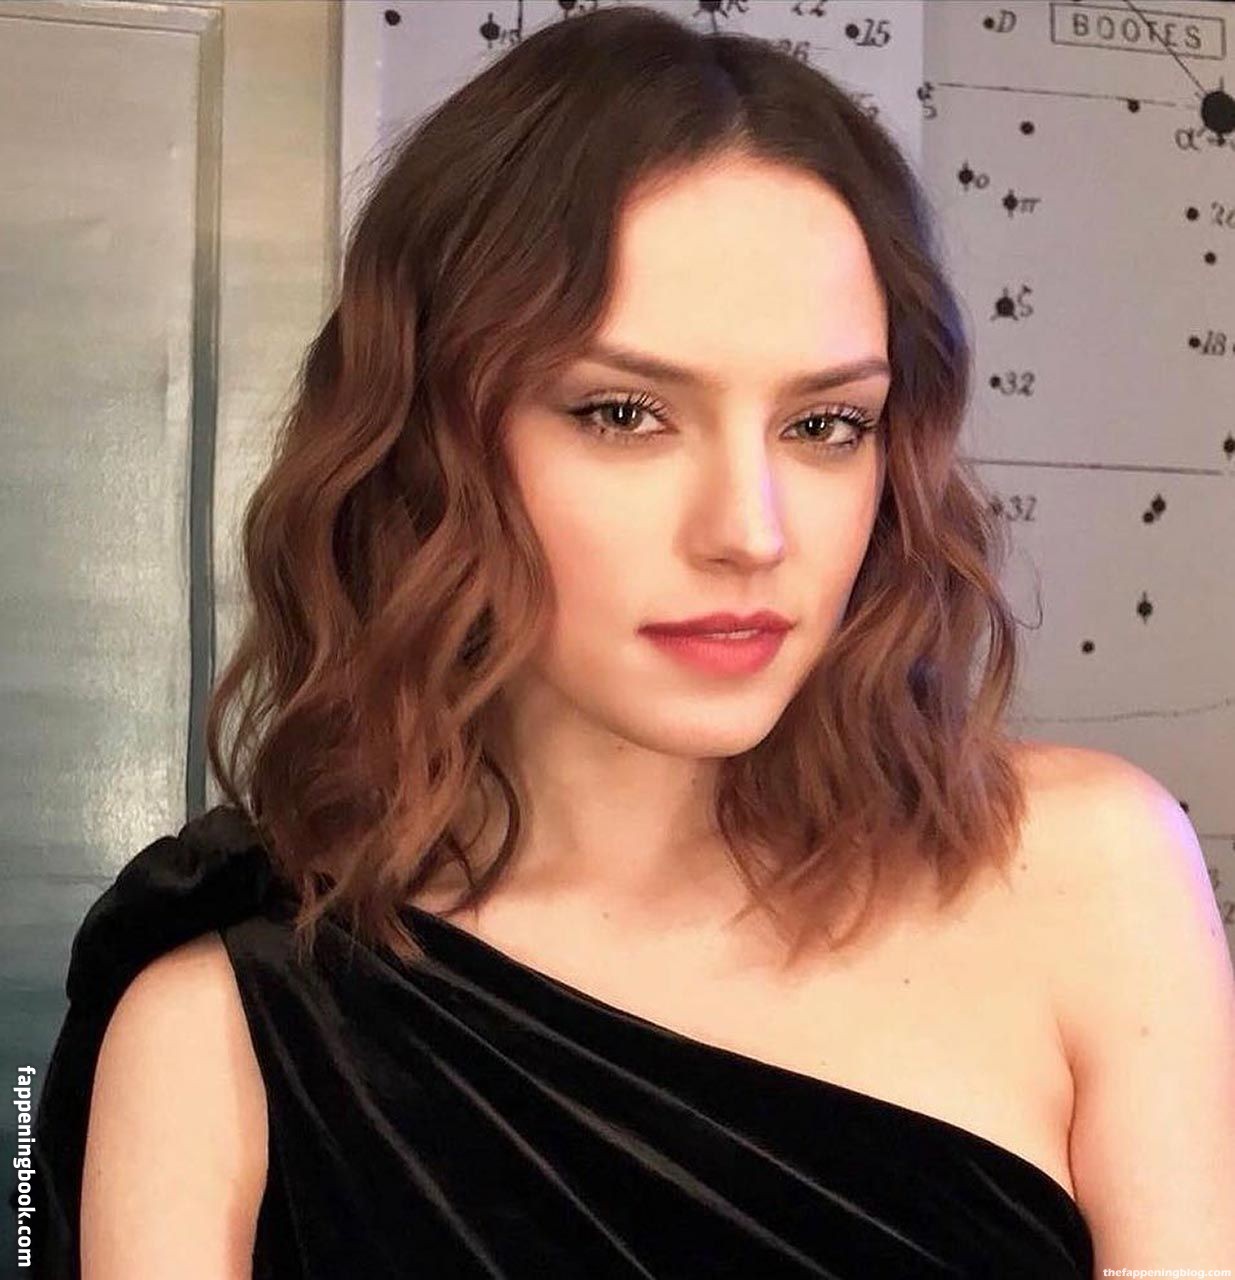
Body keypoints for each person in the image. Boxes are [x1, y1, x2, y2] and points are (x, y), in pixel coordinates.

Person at [21, 5, 1235, 1278]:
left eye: (824, 424)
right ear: (428, 446)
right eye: (622, 413)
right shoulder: (222, 1033)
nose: (748, 532)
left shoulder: (1082, 875)